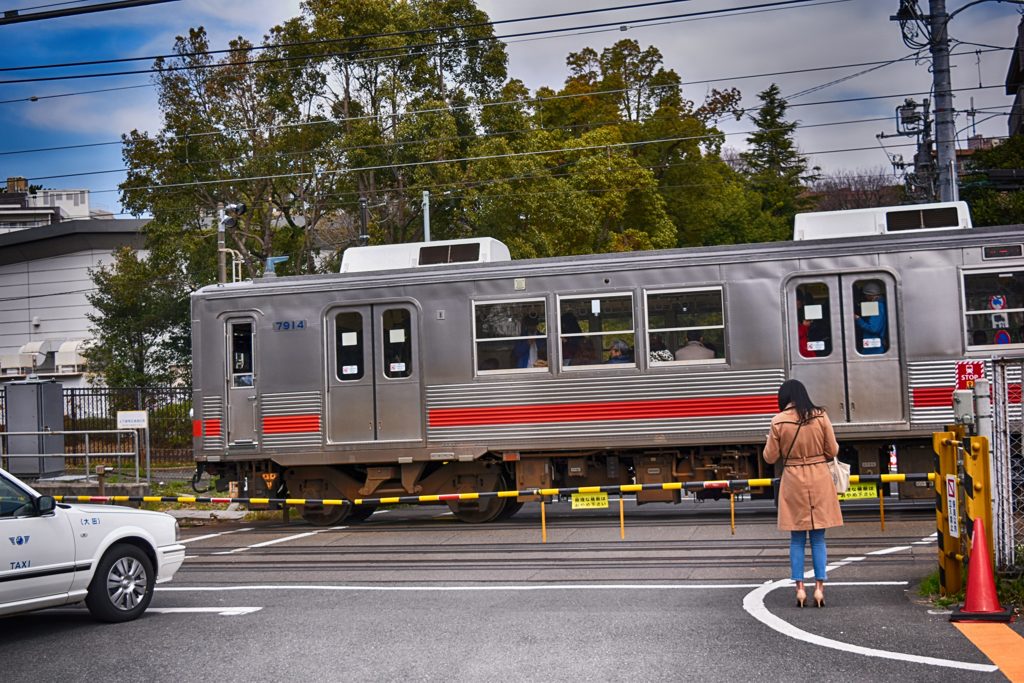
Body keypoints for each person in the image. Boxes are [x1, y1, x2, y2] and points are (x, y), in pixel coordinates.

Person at [762, 379, 842, 608]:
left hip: (793, 479)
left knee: (797, 539)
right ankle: (819, 589)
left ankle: (799, 589)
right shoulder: (820, 416)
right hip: (819, 477)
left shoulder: (778, 421)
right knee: (818, 538)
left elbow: (770, 457)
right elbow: (833, 450)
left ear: (784, 398)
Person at [854, 281, 887, 354]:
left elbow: (873, 328)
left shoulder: (878, 306)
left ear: (871, 295)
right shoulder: (880, 305)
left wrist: (858, 319)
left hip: (874, 348)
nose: (866, 298)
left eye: (866, 295)